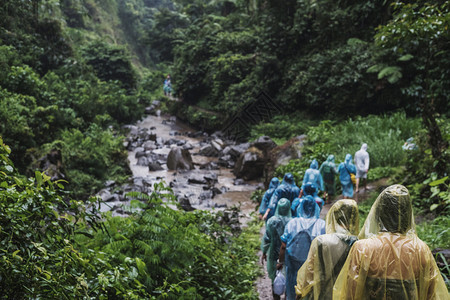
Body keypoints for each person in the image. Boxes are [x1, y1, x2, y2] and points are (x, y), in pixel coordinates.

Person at [333, 185, 448, 299]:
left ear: (378, 213)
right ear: (408, 215)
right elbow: (431, 295)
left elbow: (350, 294)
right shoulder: (421, 250)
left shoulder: (362, 249)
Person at [295, 199, 359, 300]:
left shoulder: (321, 241)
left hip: (323, 294)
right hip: (347, 295)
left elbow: (309, 272)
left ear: (334, 216)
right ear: (355, 218)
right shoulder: (359, 244)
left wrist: (300, 292)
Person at [277, 196, 326, 300]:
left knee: (292, 289)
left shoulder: (292, 223)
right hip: (313, 266)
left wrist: (280, 262)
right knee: (310, 292)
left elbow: (283, 246)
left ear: (300, 207)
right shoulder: (322, 225)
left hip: (293, 264)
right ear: (315, 208)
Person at [261, 198, 292, 299]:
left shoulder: (271, 221)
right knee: (288, 278)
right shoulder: (293, 222)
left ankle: (276, 297)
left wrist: (264, 252)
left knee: (275, 277)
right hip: (288, 255)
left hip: (274, 255)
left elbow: (267, 239)